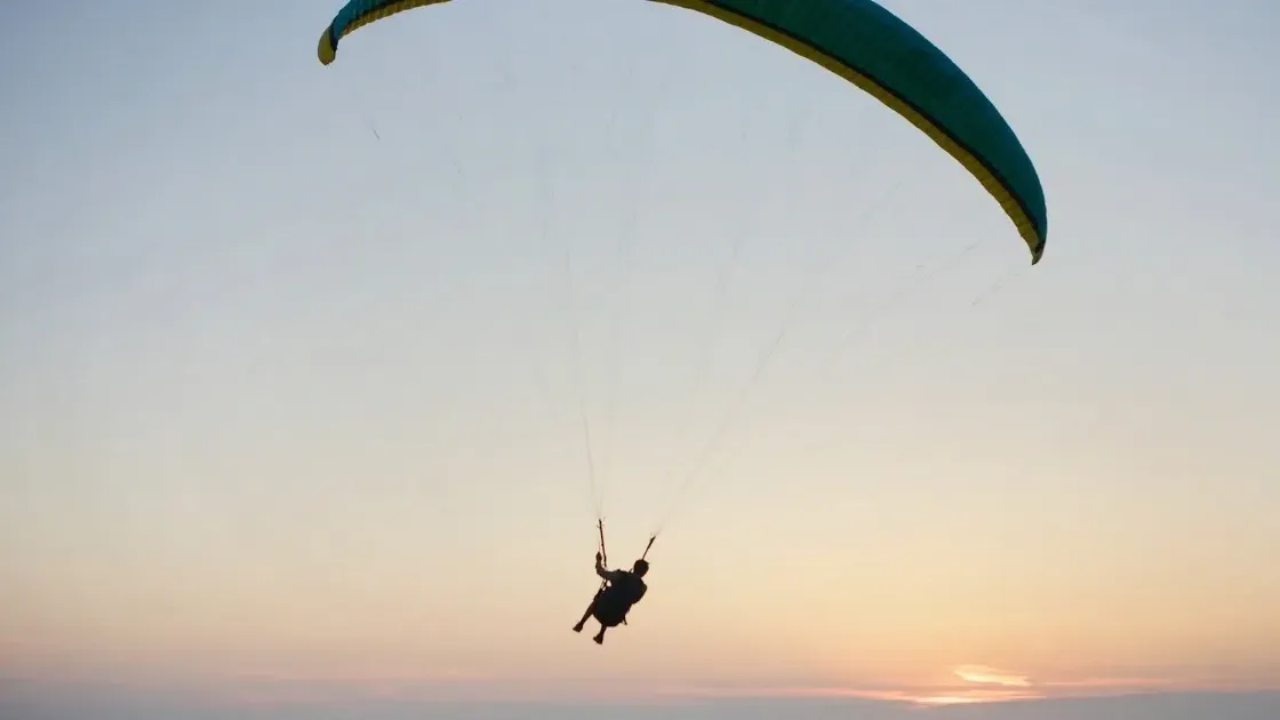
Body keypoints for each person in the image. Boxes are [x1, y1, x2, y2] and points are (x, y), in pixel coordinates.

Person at [572, 552, 649, 644]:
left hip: (601, 611)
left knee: (599, 600)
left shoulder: (621, 575)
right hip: (615, 619)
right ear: (644, 573)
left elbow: (601, 572)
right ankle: (601, 634)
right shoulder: (642, 587)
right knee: (614, 605)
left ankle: (581, 623)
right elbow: (635, 600)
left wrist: (598, 560)